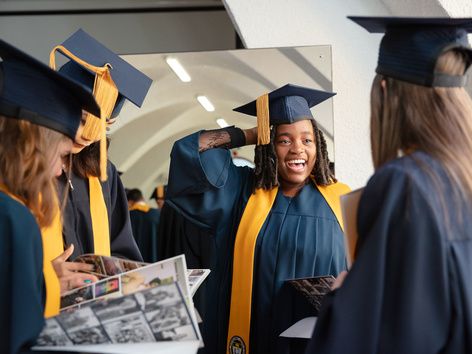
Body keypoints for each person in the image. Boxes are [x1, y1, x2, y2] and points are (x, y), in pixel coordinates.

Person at [307, 17, 472, 354]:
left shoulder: (405, 184)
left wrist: (341, 294)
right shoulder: (461, 178)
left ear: (384, 91)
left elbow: (379, 334)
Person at [167, 83, 350, 354]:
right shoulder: (241, 192)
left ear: (318, 146)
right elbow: (192, 150)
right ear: (268, 145)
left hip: (313, 343)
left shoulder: (340, 200)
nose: (298, 149)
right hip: (249, 337)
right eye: (284, 140)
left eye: (307, 140)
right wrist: (250, 134)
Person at [0, 39, 100, 353]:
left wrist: (43, 283)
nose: (60, 171)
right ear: (33, 146)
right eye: (60, 154)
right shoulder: (11, 218)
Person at [48, 29, 152, 265]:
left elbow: (122, 249)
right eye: (84, 120)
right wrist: (44, 279)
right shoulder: (22, 166)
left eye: (102, 128)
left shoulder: (105, 173)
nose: (89, 136)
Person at [127, 188, 160, 262]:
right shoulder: (158, 214)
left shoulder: (127, 217)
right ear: (142, 199)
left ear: (130, 202)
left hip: (134, 263)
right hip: (157, 262)